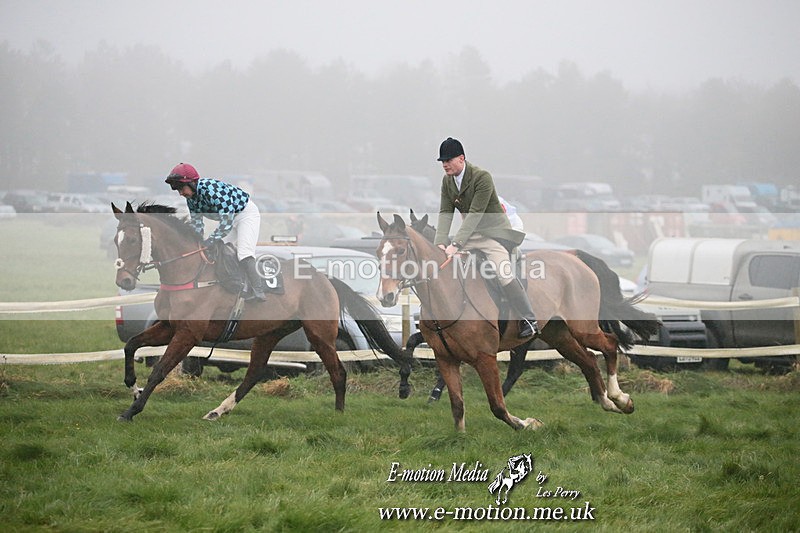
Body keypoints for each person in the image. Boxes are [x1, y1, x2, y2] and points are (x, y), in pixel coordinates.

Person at [433, 138, 539, 337]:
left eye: (448, 160)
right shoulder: (447, 182)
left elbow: (475, 213)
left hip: (493, 235)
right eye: (442, 161)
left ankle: (529, 319)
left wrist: (455, 243)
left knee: (503, 273)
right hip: (469, 235)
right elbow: (445, 212)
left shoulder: (482, 177)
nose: (445, 164)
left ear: (461, 159)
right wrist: (440, 241)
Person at [164, 163, 267, 301]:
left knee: (244, 252)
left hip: (245, 214)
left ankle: (258, 291)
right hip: (230, 219)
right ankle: (235, 285)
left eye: (181, 188)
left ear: (192, 183)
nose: (181, 193)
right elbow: (197, 225)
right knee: (220, 252)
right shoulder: (191, 200)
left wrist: (210, 240)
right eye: (178, 190)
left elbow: (226, 222)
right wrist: (198, 244)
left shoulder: (211, 190)